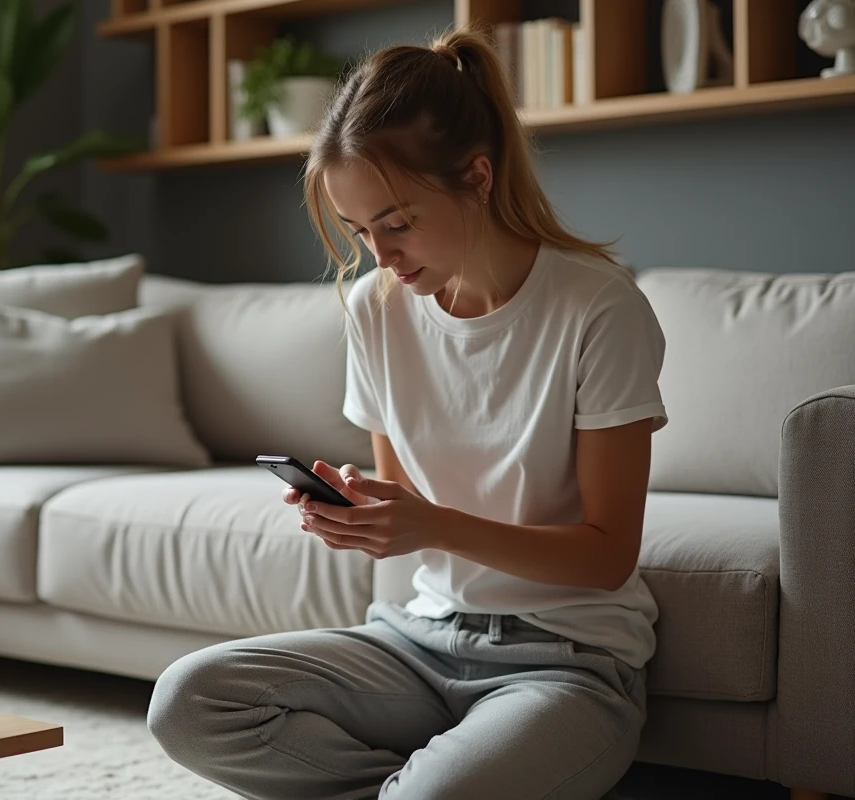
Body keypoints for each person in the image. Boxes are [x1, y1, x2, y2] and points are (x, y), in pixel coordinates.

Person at [147, 21, 667, 800]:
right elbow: (410, 516)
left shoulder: (598, 306)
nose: (380, 256)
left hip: (567, 663)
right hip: (416, 641)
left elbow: (605, 557)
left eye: (397, 223)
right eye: (360, 231)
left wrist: (433, 525)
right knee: (187, 702)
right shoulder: (374, 308)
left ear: (479, 176)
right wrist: (365, 517)